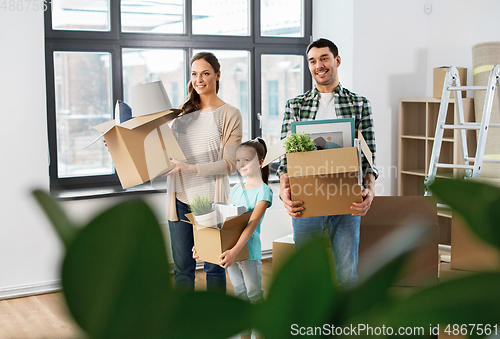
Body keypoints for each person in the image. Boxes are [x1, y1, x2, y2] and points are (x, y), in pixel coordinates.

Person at [276, 38, 379, 288]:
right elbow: (285, 156)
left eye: (324, 58)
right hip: (306, 196)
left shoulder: (359, 103)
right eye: (312, 61)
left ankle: (346, 325)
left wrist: (371, 188)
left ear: (337, 61)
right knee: (308, 274)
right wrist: (283, 189)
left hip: (347, 198)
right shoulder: (296, 105)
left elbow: (369, 155)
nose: (318, 65)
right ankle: (311, 326)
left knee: (347, 274)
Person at [164, 52, 242, 292]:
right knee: (182, 269)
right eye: (195, 74)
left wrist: (190, 168)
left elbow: (231, 163)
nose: (199, 79)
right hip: (180, 199)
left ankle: (214, 323)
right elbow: (163, 154)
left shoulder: (230, 114)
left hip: (210, 202)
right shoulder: (180, 116)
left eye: (205, 73)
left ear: (217, 76)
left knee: (213, 267)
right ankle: (183, 323)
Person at [194, 138, 272, 339]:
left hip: (247, 252)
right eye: (238, 160)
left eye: (247, 159)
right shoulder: (236, 190)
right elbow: (222, 222)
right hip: (230, 252)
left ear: (260, 162)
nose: (242, 165)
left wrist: (234, 252)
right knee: (239, 293)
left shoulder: (264, 192)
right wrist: (204, 247)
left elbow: (251, 225)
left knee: (254, 294)